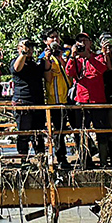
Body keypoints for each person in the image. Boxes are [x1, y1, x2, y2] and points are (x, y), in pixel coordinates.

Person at [65, 33, 111, 168]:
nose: (82, 43)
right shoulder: (76, 59)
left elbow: (102, 68)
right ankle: (86, 161)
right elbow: (69, 72)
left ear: (90, 42)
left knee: (101, 131)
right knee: (80, 132)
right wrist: (73, 56)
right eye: (79, 41)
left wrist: (89, 57)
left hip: (98, 100)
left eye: (84, 40)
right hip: (82, 100)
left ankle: (103, 161)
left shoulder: (98, 56)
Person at [10, 39, 46, 160]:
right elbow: (17, 68)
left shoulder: (35, 64)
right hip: (23, 102)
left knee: (39, 135)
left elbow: (46, 71)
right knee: (23, 134)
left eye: (30, 47)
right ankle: (23, 160)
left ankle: (41, 160)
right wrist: (23, 54)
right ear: (18, 48)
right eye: (25, 46)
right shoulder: (16, 61)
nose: (29, 49)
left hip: (38, 103)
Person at [40, 29, 71, 168]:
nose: (55, 40)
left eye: (57, 37)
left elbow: (70, 71)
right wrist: (48, 58)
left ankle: (86, 154)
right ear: (45, 41)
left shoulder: (66, 53)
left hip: (69, 97)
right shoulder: (43, 57)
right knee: (58, 130)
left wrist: (61, 57)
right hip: (55, 99)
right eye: (51, 38)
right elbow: (47, 77)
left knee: (74, 127)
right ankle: (61, 157)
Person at [98, 34, 112, 167]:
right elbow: (107, 68)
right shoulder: (98, 56)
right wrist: (104, 54)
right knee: (105, 129)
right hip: (101, 98)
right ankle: (105, 159)